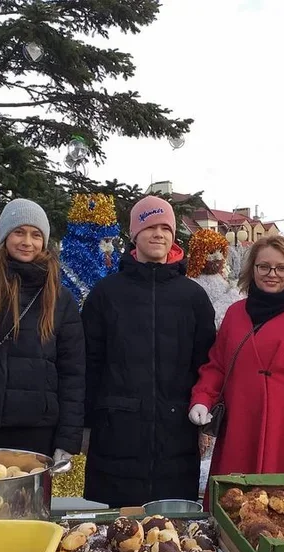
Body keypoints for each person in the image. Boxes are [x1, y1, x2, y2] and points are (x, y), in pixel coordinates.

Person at [81, 196, 216, 507]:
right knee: (114, 537)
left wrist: (206, 422)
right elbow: (89, 364)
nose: (159, 234)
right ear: (134, 235)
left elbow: (207, 363)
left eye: (165, 228)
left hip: (176, 438)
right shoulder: (106, 294)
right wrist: (85, 425)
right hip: (116, 437)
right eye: (150, 227)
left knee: (173, 539)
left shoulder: (192, 297)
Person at [189, 235, 284, 506]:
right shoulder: (235, 314)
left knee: (281, 514)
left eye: (281, 268)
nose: (272, 274)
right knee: (232, 510)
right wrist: (202, 397)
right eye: (264, 267)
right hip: (239, 432)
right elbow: (218, 365)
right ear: (252, 269)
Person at [0, 199, 85, 462]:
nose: (27, 242)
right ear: (4, 236)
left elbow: (73, 373)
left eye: (36, 235)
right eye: (19, 232)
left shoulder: (60, 300)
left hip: (36, 431)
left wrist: (67, 439)